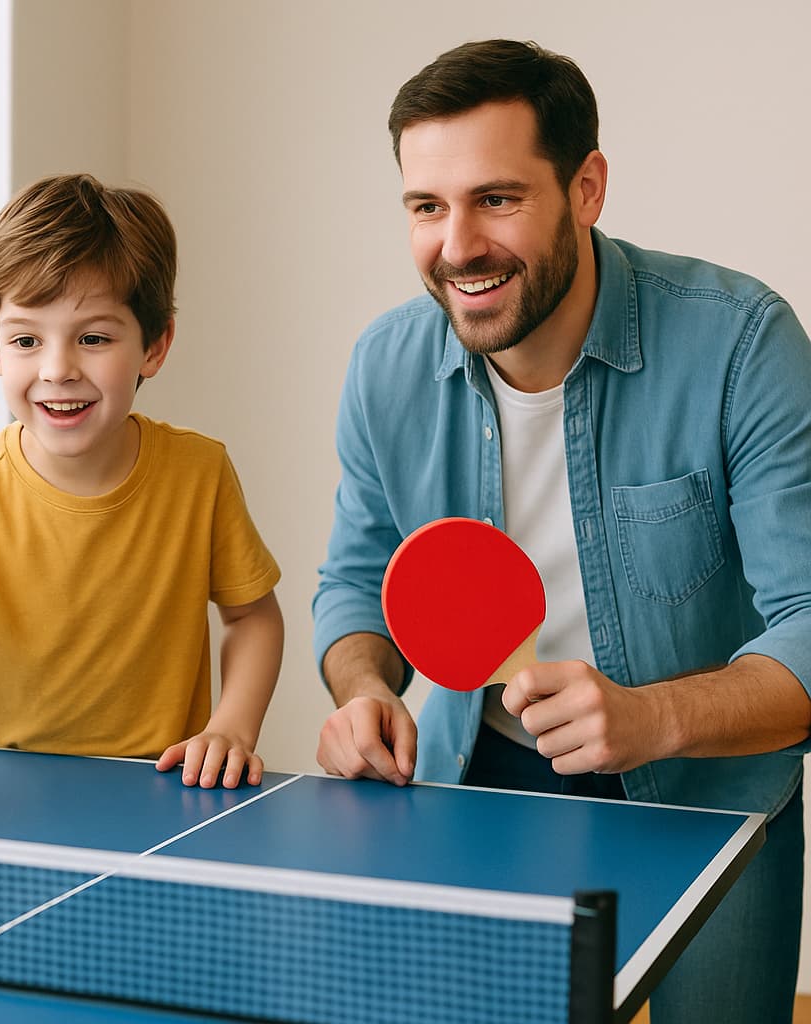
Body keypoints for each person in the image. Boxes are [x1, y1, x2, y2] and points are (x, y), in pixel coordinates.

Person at [312, 39, 810, 1023]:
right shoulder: (384, 367)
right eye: (426, 206)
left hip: (706, 792)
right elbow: (356, 581)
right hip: (483, 779)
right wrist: (363, 687)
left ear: (586, 189)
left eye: (496, 198)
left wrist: (648, 717)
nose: (457, 244)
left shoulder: (743, 343)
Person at [0, 173, 284, 790]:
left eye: (93, 337)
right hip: (1, 795)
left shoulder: (200, 473)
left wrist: (233, 726)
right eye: (26, 339)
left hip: (161, 792)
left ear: (154, 345)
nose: (58, 369)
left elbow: (253, 618)